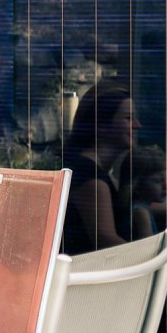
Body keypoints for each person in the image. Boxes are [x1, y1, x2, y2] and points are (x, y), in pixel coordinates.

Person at [61, 81, 138, 255]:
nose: (137, 125)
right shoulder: (92, 181)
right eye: (128, 118)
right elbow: (106, 241)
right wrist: (160, 258)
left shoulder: (100, 175)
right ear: (101, 125)